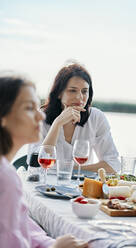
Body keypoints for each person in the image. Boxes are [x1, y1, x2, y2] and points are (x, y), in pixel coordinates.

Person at [0, 75, 88, 248]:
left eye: (37, 106)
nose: (40, 115)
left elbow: (25, 230)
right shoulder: (5, 179)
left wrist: (51, 244)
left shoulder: (7, 170)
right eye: (29, 108)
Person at [27, 63, 120, 173]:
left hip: (81, 188)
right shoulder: (40, 118)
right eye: (72, 90)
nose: (80, 97)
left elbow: (113, 164)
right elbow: (35, 164)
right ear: (59, 93)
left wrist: (70, 170)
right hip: (44, 188)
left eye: (84, 91)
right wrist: (57, 124)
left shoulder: (96, 118)